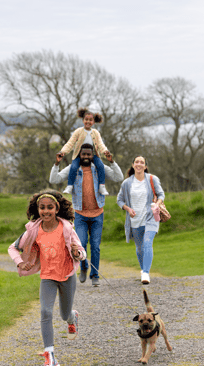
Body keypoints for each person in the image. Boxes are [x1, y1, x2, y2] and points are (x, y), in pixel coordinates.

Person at [8, 189, 86, 366]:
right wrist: (21, 263)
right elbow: (12, 248)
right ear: (38, 209)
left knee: (64, 314)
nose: (45, 211)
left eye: (50, 207)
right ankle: (50, 356)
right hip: (48, 277)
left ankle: (72, 317)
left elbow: (82, 252)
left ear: (57, 208)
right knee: (45, 311)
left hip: (67, 276)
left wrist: (78, 253)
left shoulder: (66, 228)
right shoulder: (33, 230)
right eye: (42, 208)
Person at [50, 143, 124, 286]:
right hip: (80, 214)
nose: (85, 157)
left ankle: (95, 275)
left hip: (97, 214)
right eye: (83, 154)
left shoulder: (99, 168)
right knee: (81, 244)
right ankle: (84, 268)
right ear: (79, 155)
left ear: (92, 155)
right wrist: (56, 164)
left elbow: (118, 177)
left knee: (95, 246)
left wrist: (112, 162)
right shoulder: (73, 169)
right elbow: (54, 179)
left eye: (88, 154)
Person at [117, 156, 165, 285]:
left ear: (145, 166)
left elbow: (161, 194)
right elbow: (119, 200)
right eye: (137, 162)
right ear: (133, 165)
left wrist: (158, 204)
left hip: (150, 217)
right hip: (135, 220)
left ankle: (145, 272)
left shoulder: (152, 179)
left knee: (148, 242)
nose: (139, 164)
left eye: (142, 162)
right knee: (139, 248)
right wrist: (127, 208)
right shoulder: (127, 183)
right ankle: (143, 269)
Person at [58, 108, 111, 196]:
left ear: (93, 122)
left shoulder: (96, 133)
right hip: (80, 155)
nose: (88, 122)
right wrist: (63, 151)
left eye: (90, 120)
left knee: (100, 166)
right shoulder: (78, 131)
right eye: (86, 119)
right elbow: (70, 143)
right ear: (83, 120)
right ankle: (70, 186)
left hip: (92, 155)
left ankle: (102, 186)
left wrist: (105, 151)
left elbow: (100, 144)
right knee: (74, 167)